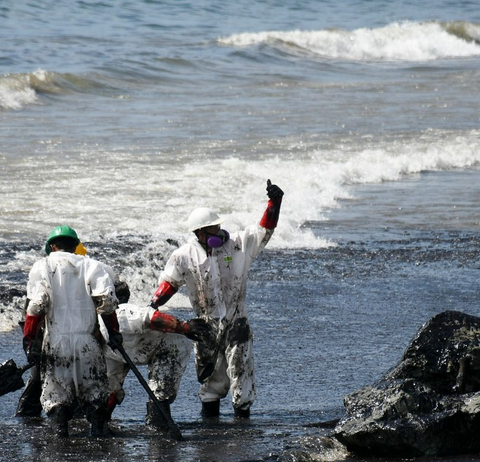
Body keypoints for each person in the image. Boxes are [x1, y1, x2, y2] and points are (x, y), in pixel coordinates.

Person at [149, 179, 284, 419]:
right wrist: (152, 306)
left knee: (241, 372)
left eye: (218, 225)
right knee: (211, 379)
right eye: (212, 228)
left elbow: (264, 230)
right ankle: (210, 426)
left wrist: (274, 203)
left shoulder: (238, 245)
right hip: (206, 324)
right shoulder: (184, 256)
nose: (218, 231)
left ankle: (242, 424)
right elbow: (169, 283)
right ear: (199, 233)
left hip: (237, 320)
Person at [22, 225, 122, 437]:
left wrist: (29, 339)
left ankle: (61, 437)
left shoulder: (42, 266)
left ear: (52, 246)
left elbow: (37, 305)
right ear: (76, 245)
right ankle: (98, 435)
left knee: (56, 395)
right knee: (94, 393)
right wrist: (113, 332)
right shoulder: (93, 266)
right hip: (88, 342)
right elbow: (107, 302)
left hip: (56, 342)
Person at [94, 275, 205, 433]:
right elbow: (110, 386)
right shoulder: (98, 337)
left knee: (160, 389)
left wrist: (185, 327)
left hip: (168, 344)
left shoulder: (121, 315)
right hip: (129, 349)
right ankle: (103, 424)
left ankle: (159, 424)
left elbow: (152, 317)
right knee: (107, 387)